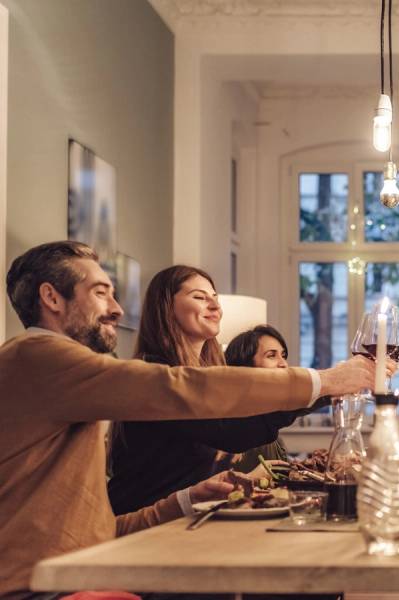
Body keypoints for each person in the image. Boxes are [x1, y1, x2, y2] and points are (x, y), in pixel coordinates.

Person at [0, 241, 375, 599]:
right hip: (44, 588)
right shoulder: (36, 357)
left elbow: (101, 530)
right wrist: (324, 381)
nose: (117, 309)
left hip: (81, 572)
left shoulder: (65, 383)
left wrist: (184, 499)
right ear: (51, 298)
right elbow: (182, 389)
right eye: (101, 293)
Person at [107, 268, 356, 514]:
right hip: (142, 523)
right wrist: (326, 386)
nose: (215, 306)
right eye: (199, 297)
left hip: (191, 520)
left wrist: (328, 390)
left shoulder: (205, 376)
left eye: (215, 297)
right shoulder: (156, 377)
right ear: (166, 307)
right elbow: (235, 431)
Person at [223, 325, 309, 465]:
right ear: (246, 367)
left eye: (283, 355)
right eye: (271, 355)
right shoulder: (242, 432)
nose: (283, 364)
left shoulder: (270, 431)